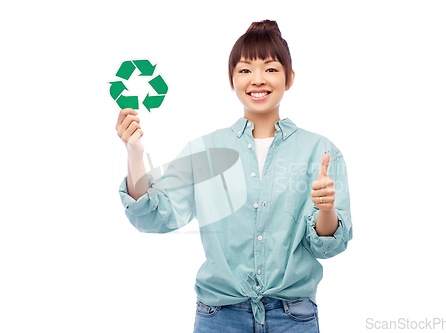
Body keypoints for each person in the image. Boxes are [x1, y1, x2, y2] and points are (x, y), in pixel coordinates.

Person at [116, 19, 352, 333]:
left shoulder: (320, 151)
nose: (257, 80)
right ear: (232, 79)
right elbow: (152, 217)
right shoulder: (207, 150)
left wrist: (326, 209)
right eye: (245, 70)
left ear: (289, 77)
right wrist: (134, 153)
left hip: (293, 318)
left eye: (270, 69)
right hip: (220, 318)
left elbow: (328, 247)